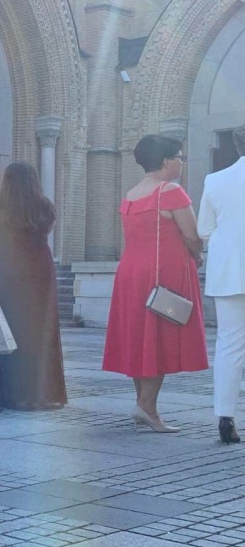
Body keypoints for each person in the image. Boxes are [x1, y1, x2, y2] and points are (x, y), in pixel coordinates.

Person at [102, 134, 207, 432]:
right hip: (163, 275)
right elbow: (192, 236)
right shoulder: (171, 192)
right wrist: (197, 254)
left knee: (140, 336)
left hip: (131, 273)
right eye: (180, 157)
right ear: (166, 162)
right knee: (159, 337)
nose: (182, 163)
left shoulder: (132, 194)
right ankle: (146, 406)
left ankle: (144, 403)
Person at [0, 162, 67, 410]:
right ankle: (41, 394)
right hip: (39, 272)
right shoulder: (45, 206)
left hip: (7, 271)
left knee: (8, 330)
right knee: (41, 332)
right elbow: (48, 231)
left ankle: (8, 394)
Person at [197, 126, 245, 444]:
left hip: (229, 272)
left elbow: (204, 230)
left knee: (229, 346)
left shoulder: (215, 181)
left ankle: (225, 416)